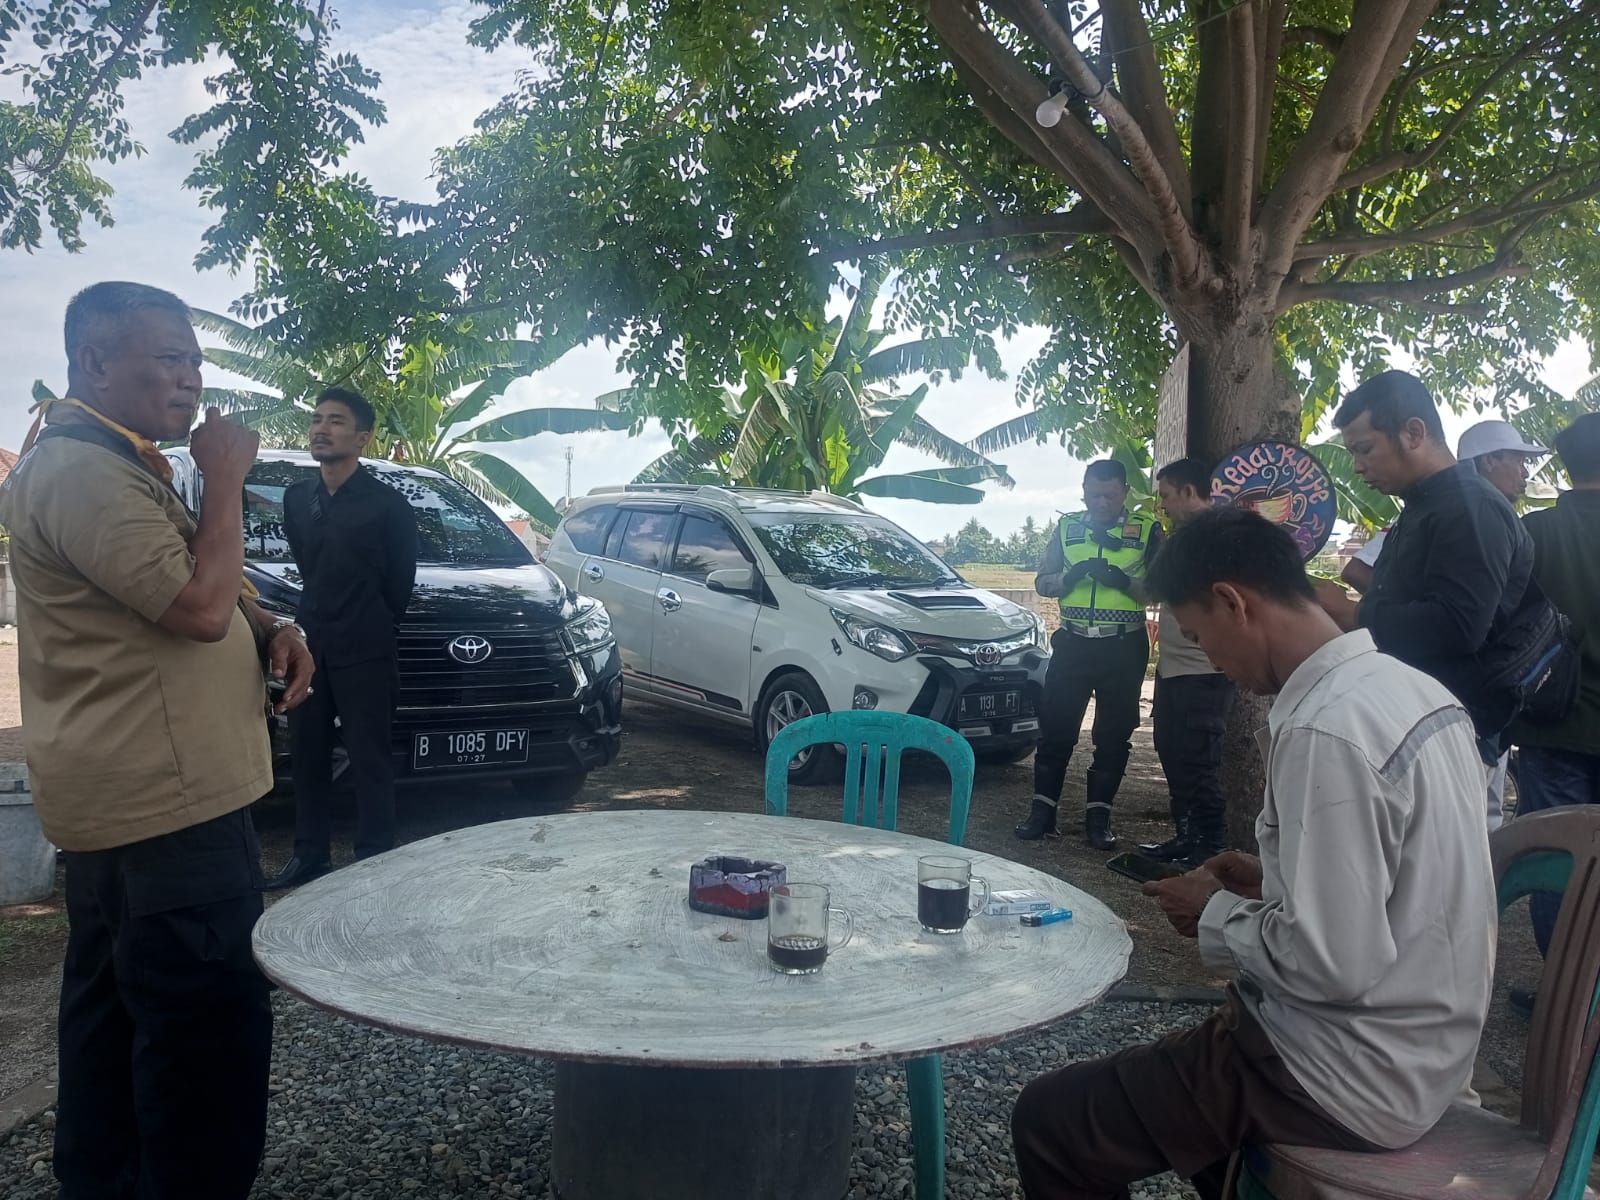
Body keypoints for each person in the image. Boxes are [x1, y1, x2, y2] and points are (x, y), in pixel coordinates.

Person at [1011, 508, 1495, 1200]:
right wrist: (1273, 880)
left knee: (1053, 1120)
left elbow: (1333, 964)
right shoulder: (1413, 690)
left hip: (1346, 1070)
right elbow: (1407, 878)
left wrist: (1211, 910)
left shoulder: (1329, 728)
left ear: (1233, 602)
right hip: (1427, 1047)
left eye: (1198, 634)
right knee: (1171, 1108)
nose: (1210, 659)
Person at [0, 281, 314, 1199]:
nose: (191, 379)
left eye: (196, 362)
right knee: (201, 1039)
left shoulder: (116, 461)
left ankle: (102, 1181)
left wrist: (274, 623)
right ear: (95, 361)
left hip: (142, 800)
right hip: (168, 807)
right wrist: (226, 478)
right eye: (169, 359)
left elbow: (200, 588)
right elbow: (199, 608)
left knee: (114, 1018)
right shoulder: (82, 471)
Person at [1318, 370, 1535, 764]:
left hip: (1449, 731)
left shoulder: (1471, 508)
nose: (1357, 467)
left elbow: (1459, 626)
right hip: (1416, 716)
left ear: (1413, 433)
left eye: (1365, 449)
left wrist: (1353, 613)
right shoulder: (1427, 503)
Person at [267, 387, 418, 889]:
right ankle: (309, 855)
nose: (321, 429)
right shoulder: (297, 498)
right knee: (307, 753)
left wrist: (372, 625)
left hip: (367, 646)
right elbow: (309, 564)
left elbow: (399, 583)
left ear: (362, 438)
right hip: (310, 643)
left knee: (369, 755)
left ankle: (375, 858)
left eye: (335, 421)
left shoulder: (388, 505)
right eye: (317, 419)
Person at [1016, 459, 1161, 849]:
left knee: (1113, 735)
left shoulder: (1146, 529)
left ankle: (1099, 820)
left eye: (1110, 496)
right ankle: (1042, 814)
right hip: (1074, 643)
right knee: (1056, 728)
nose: (1102, 503)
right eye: (1094, 495)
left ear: (1124, 492)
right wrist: (1070, 577)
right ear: (1083, 492)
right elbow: (1043, 582)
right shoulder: (1067, 529)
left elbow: (1161, 589)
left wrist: (1125, 582)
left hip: (1123, 646)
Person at [1509, 413, 1600, 963]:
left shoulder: (1535, 532)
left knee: (1559, 859)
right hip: (1557, 728)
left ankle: (1565, 995)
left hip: (1553, 723)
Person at [1140, 457, 1234, 865]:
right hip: (1173, 667)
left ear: (1189, 491)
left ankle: (1211, 846)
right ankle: (1185, 836)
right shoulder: (1183, 538)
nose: (1162, 505)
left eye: (1166, 496)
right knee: (1170, 751)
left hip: (1204, 670)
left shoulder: (1220, 537)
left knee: (1198, 761)